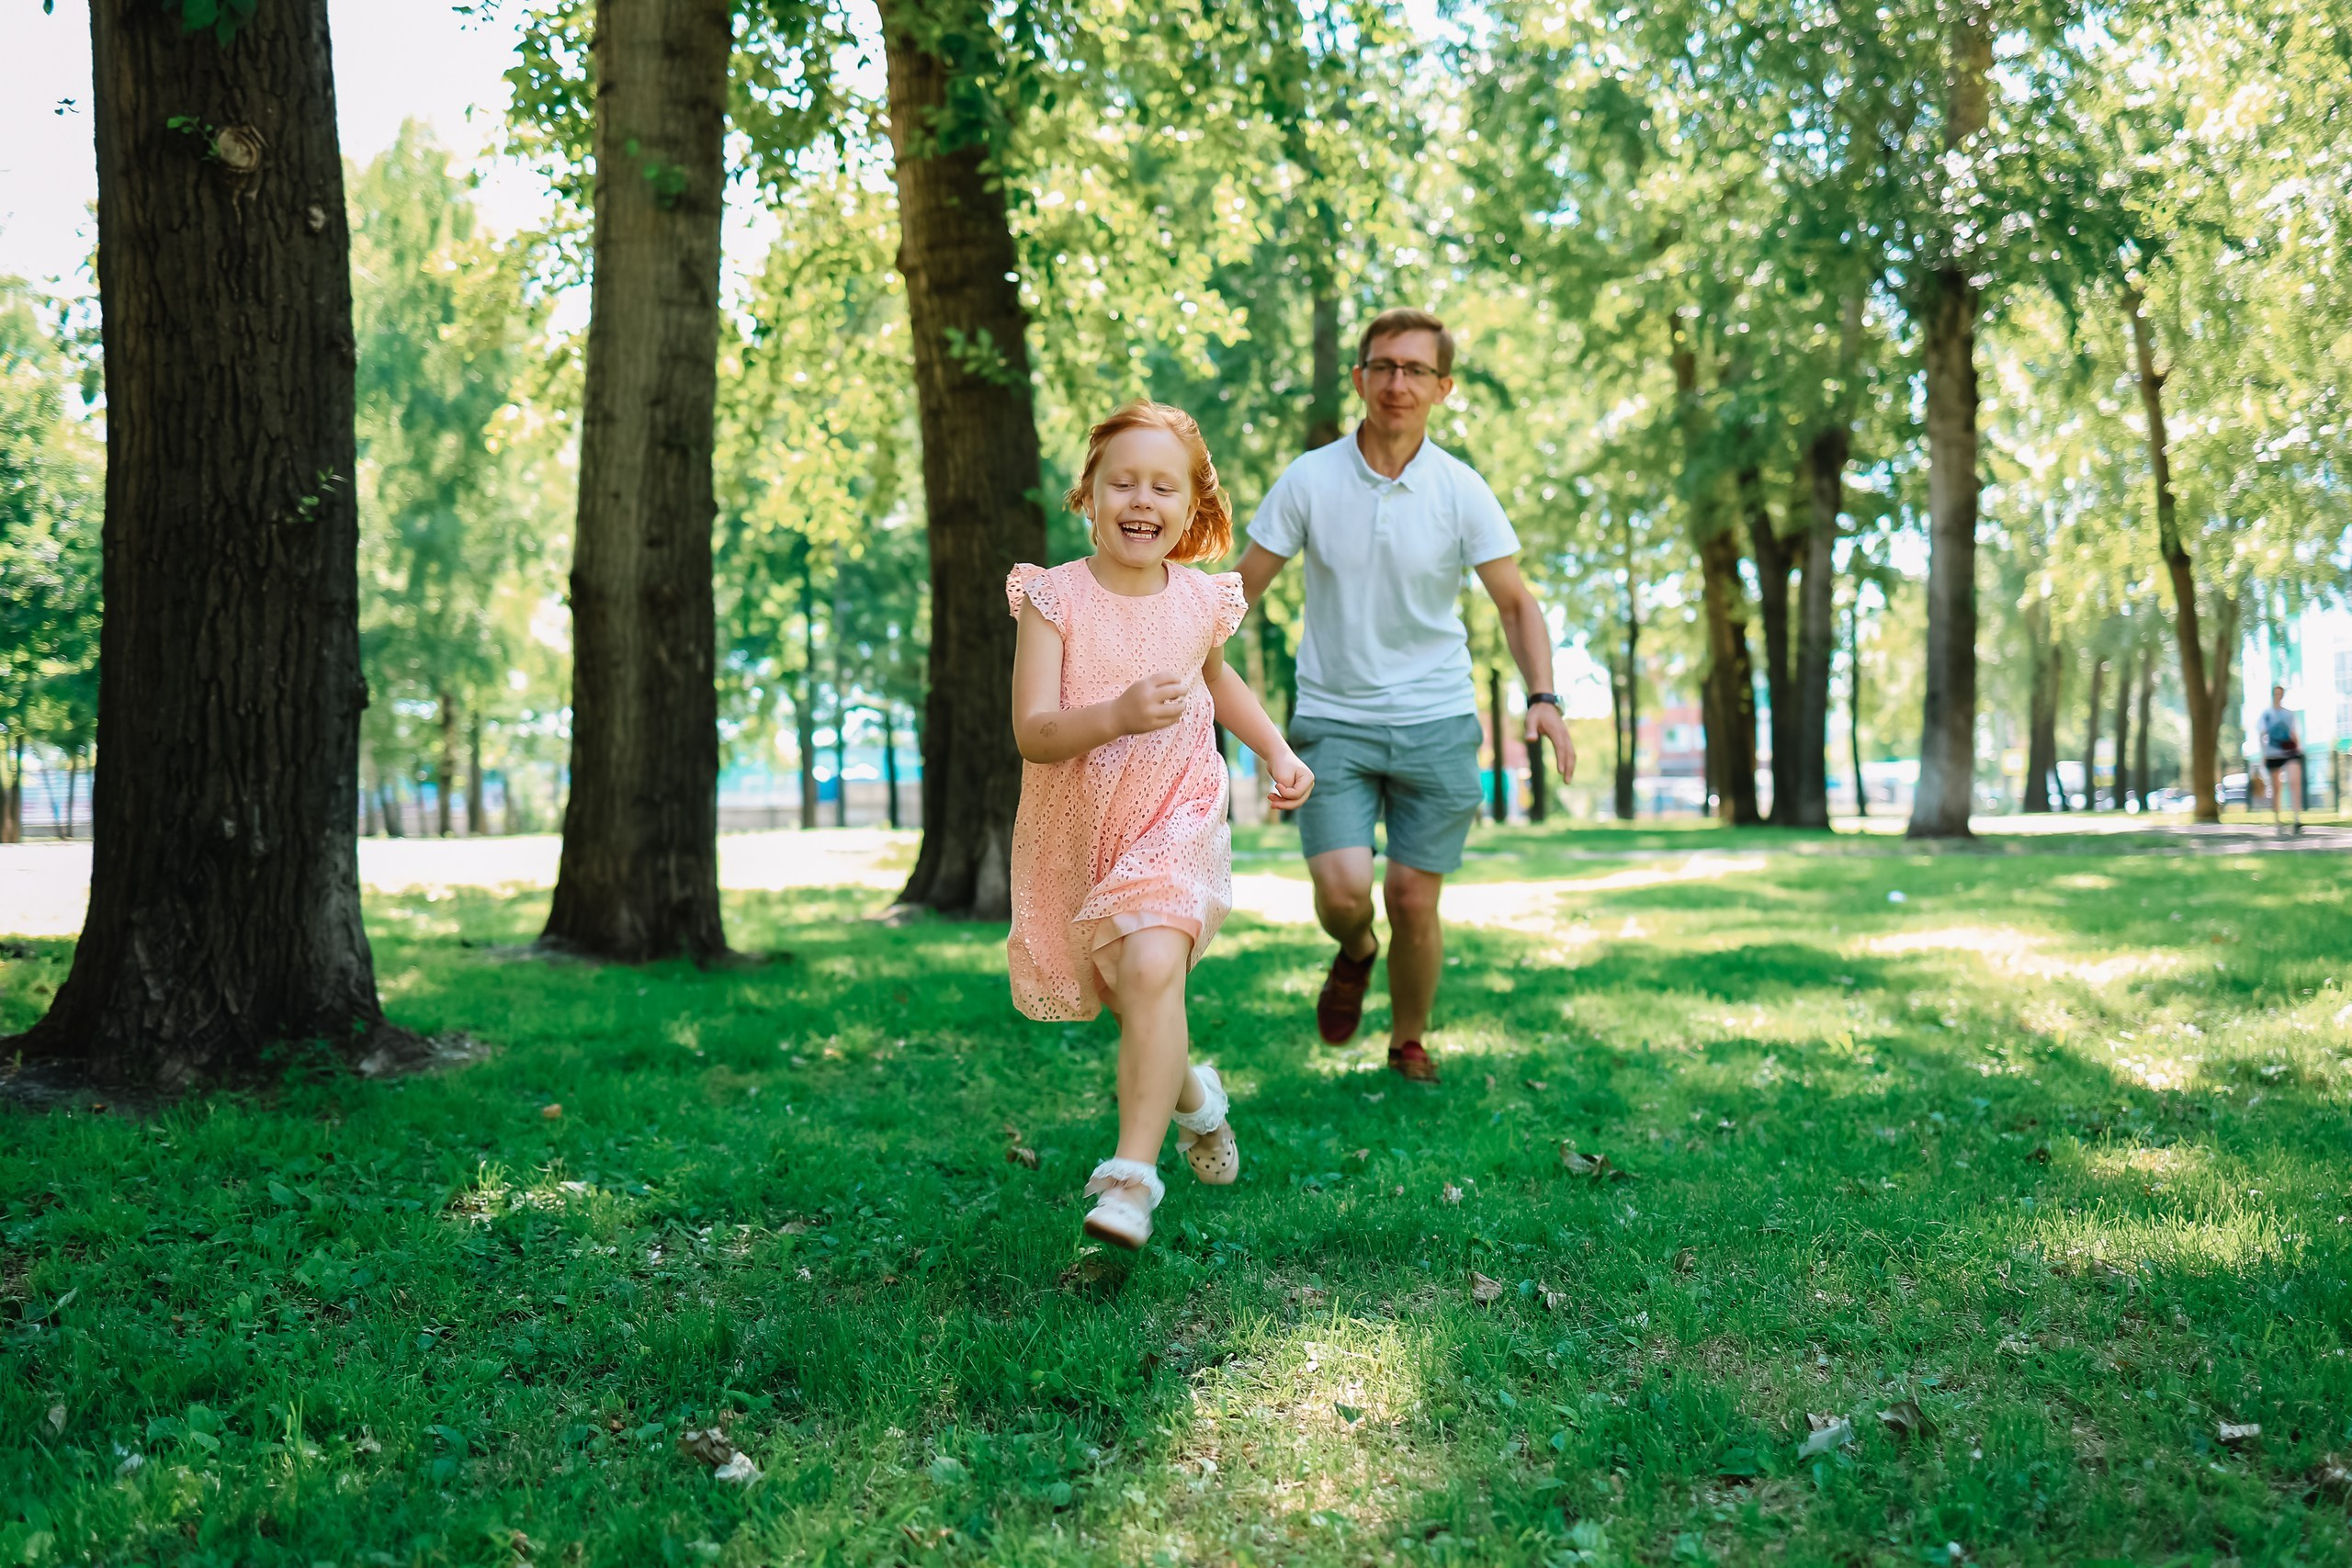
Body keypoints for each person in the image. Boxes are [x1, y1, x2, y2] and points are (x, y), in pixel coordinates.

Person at [1005, 401, 1316, 1251]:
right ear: (1090, 494)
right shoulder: (1052, 597)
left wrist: (1276, 751)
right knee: (1141, 995)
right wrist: (1115, 713)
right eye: (1123, 483)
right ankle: (1197, 1099)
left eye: (1162, 486)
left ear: (1190, 505)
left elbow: (1220, 684)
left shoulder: (1201, 600)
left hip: (1179, 811)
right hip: (1087, 825)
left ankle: (1131, 1180)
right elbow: (1034, 731)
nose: (1141, 500)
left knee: (1150, 964)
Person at [1238, 307, 1575, 1083]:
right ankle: (1355, 950)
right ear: (1360, 378)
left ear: (1442, 388)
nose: (1397, 383)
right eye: (1383, 366)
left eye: (1415, 370)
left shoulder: (1460, 489)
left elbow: (1516, 602)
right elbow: (1241, 588)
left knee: (1414, 900)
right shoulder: (1310, 478)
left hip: (1437, 720)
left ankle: (1407, 1040)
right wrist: (1181, 664)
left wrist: (1545, 696)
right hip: (1333, 719)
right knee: (1344, 889)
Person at [2258, 684, 2303, 834]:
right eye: (2276, 693)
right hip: (2273, 753)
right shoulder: (2267, 715)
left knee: (2294, 782)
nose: (2278, 696)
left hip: (2290, 752)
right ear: (2273, 695)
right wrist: (2264, 754)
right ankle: (2277, 820)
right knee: (2276, 788)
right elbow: (2262, 735)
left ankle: (2297, 818)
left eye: (2280, 693)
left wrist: (2299, 748)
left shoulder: (2289, 715)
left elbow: (2293, 733)